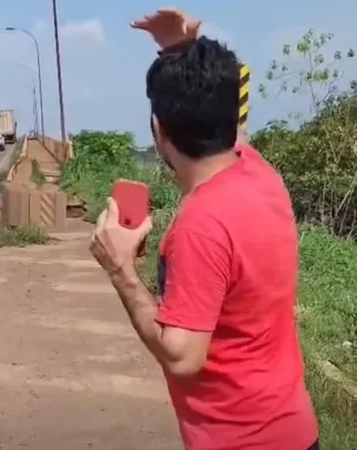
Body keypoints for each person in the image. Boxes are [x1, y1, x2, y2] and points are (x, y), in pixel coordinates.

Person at [90, 9, 319, 450]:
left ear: (158, 130)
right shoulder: (259, 175)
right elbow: (231, 118)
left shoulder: (200, 227)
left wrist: (120, 268)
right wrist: (179, 51)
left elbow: (182, 357)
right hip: (294, 429)